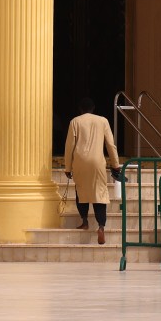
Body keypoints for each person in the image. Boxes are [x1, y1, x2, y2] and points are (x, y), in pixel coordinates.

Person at [63, 95, 123, 245]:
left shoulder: (75, 121)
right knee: (100, 193)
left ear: (80, 109)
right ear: (93, 109)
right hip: (97, 162)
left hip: (80, 162)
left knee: (81, 191)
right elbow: (110, 144)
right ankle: (101, 226)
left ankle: (84, 221)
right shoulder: (102, 121)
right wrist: (116, 164)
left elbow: (69, 146)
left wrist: (67, 167)